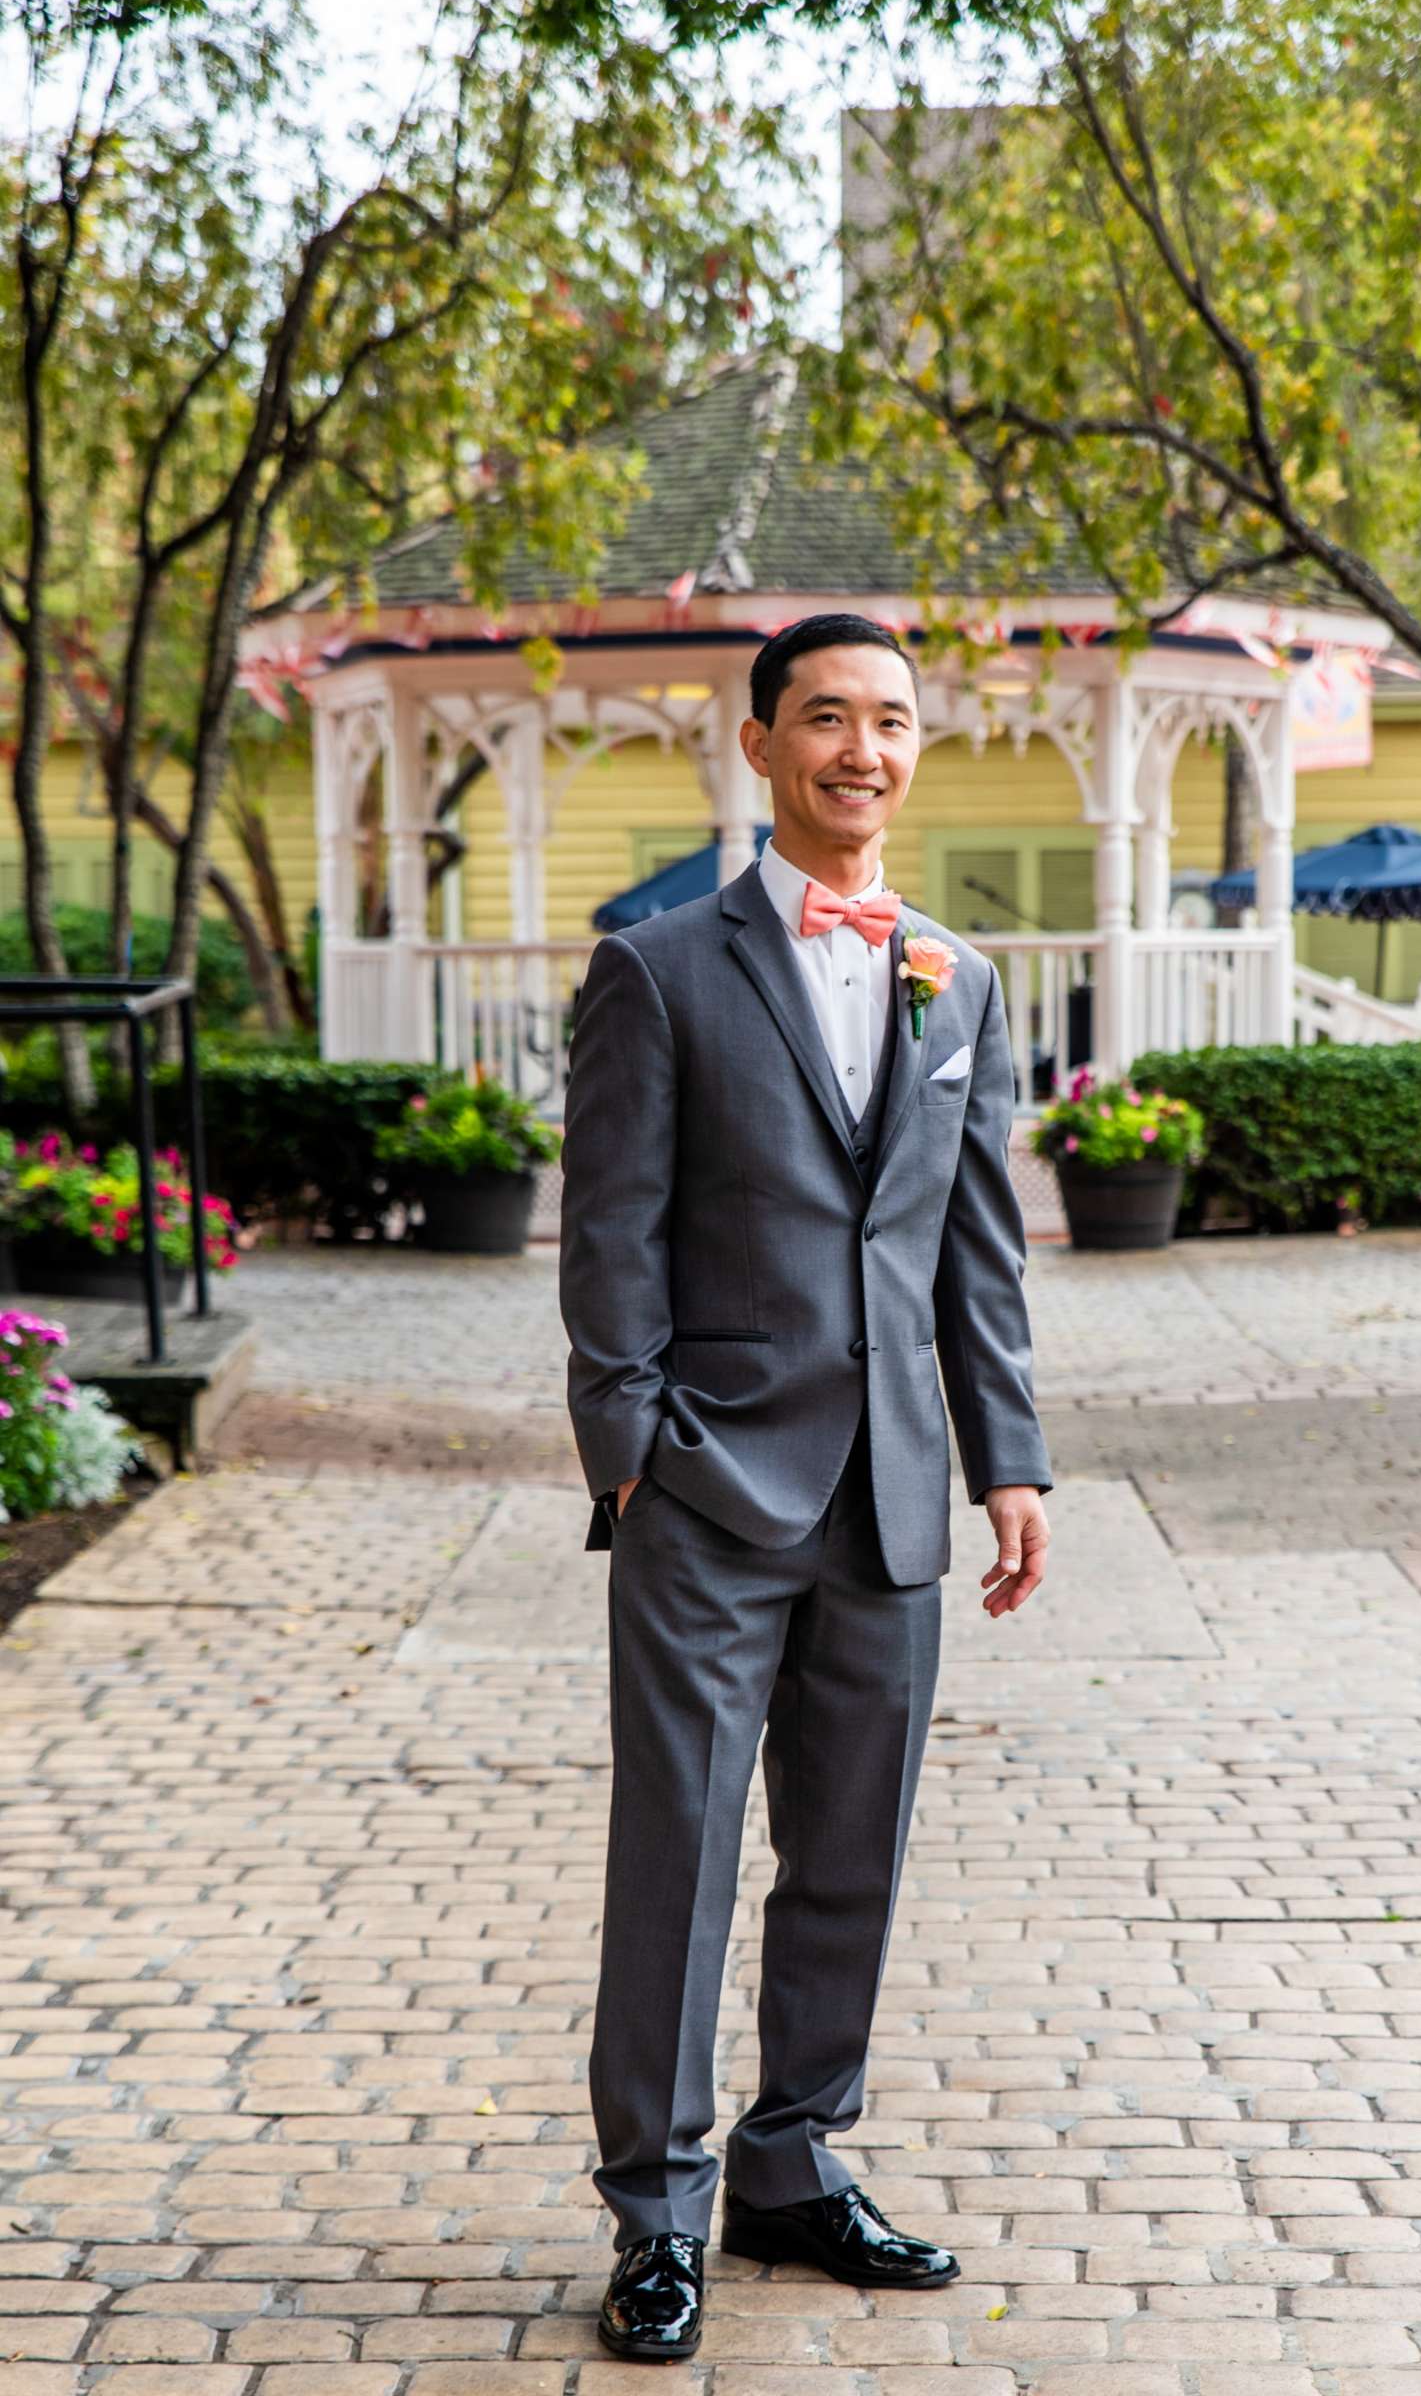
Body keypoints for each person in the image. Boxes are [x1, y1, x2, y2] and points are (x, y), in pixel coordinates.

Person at [559, 611, 1052, 2362]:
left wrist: (1010, 1462)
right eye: (827, 717)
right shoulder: (659, 968)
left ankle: (790, 2163)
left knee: (850, 1855)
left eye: (894, 722)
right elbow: (609, 1233)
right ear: (760, 744)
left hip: (894, 1500)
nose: (864, 748)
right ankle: (659, 2212)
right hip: (704, 1492)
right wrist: (628, 1453)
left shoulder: (961, 980)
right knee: (680, 1858)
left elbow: (970, 1255)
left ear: (918, 752)